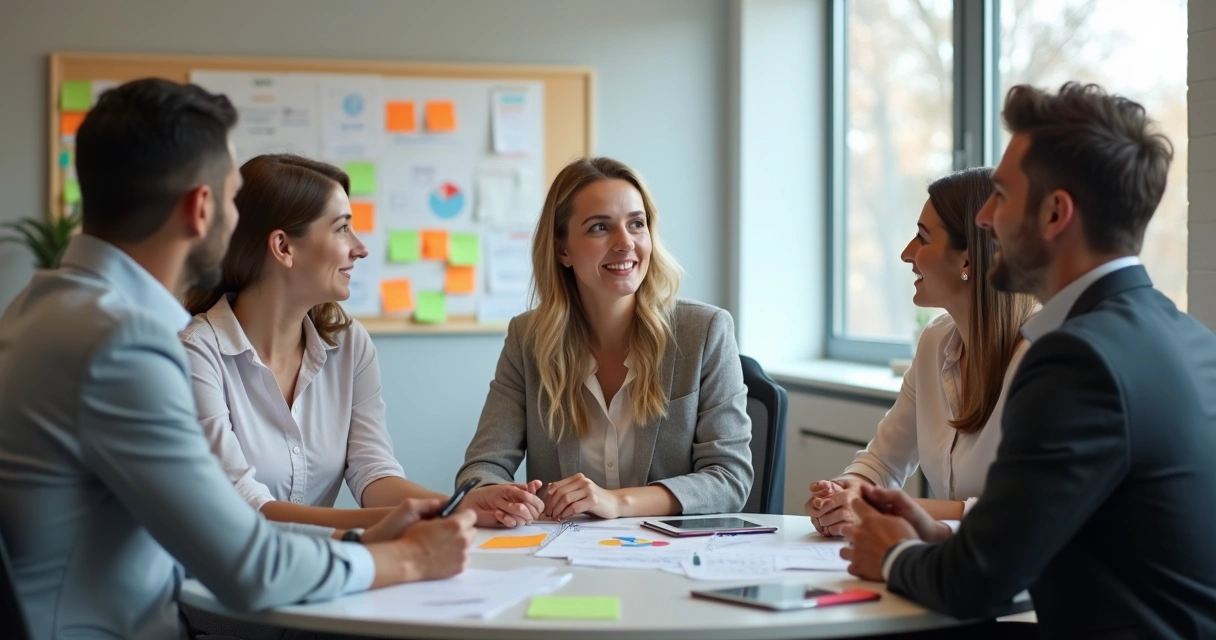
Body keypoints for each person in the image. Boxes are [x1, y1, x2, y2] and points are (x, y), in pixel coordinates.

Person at [0, 78, 475, 640]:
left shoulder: (35, 310)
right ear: (201, 208)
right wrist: (412, 557)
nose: (236, 220)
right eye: (231, 198)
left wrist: (374, 534)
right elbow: (249, 564)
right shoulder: (124, 344)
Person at [841, 82, 1216, 639]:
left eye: (1001, 195)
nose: (985, 218)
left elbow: (977, 585)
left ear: (1055, 213)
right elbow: (1067, 541)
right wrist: (939, 537)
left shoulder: (1077, 359)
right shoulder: (1188, 337)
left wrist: (893, 555)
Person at [181, 154, 543, 531]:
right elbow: (242, 505)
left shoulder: (349, 344)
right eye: (342, 229)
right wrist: (422, 517)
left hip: (325, 558)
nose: (360, 247)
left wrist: (459, 504)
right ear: (283, 247)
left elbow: (372, 470)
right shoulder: (196, 353)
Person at [456, 156, 753, 520]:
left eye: (637, 224)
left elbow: (730, 479)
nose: (625, 243)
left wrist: (616, 502)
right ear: (563, 250)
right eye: (600, 227)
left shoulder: (704, 332)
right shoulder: (528, 339)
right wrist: (494, 496)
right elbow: (482, 468)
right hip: (562, 550)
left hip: (668, 551)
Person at [806, 168, 1037, 536]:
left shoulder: (1040, 358)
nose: (906, 254)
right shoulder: (935, 342)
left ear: (967, 260)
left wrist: (880, 507)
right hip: (952, 559)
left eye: (922, 238)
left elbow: (1020, 511)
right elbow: (882, 461)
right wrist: (844, 493)